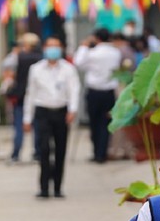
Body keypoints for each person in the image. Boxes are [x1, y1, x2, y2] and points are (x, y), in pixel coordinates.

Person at [23, 36, 81, 199]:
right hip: (42, 112)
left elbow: (74, 90)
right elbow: (30, 94)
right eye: (50, 46)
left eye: (56, 46)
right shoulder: (36, 69)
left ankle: (57, 186)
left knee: (61, 149)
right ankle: (43, 187)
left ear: (61, 48)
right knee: (44, 149)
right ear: (44, 48)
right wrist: (27, 118)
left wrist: (72, 110)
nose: (53, 49)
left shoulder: (68, 69)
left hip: (61, 112)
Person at [73, 28, 122, 164]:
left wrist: (83, 46)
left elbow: (78, 62)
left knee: (94, 123)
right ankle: (103, 152)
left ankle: (96, 153)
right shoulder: (115, 53)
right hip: (109, 92)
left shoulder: (92, 53)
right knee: (106, 123)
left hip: (94, 92)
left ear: (96, 38)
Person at [7, 33, 43, 163]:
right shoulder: (42, 58)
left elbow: (10, 72)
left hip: (21, 96)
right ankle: (38, 153)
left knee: (19, 127)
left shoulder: (19, 57)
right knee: (37, 127)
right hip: (38, 98)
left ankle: (16, 154)